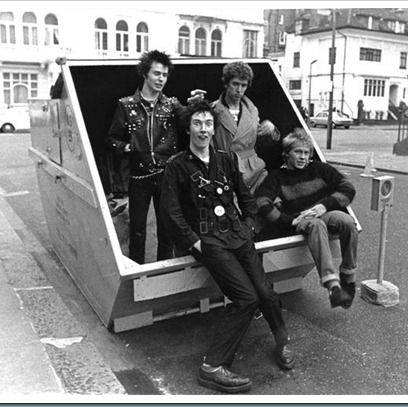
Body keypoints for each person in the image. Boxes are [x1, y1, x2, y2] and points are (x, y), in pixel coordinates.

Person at [161, 100, 295, 394]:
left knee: (266, 294)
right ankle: (212, 367)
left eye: (208, 124)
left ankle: (282, 341)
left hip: (238, 235)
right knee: (246, 299)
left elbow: (245, 197)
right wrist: (195, 242)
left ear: (213, 128)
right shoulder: (177, 167)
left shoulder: (225, 159)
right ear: (188, 128)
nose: (203, 130)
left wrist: (249, 226)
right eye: (197, 124)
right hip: (210, 243)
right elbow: (171, 213)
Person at [107, 50, 203, 264]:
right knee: (137, 231)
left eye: (165, 75)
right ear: (145, 74)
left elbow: (190, 122)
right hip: (139, 177)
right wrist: (128, 148)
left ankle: (165, 272)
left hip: (166, 175)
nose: (161, 79)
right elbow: (111, 139)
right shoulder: (126, 105)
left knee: (167, 230)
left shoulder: (171, 105)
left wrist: (195, 104)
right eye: (157, 74)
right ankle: (137, 275)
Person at [255, 128, 359, 309]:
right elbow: (262, 203)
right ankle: (332, 286)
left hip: (323, 213)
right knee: (316, 225)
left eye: (306, 152)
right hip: (302, 220)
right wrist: (289, 220)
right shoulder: (276, 177)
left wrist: (323, 206)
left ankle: (348, 278)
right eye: (298, 152)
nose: (303, 157)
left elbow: (348, 188)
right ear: (286, 154)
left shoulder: (319, 169)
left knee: (347, 222)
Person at [211, 61, 280, 194]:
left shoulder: (253, 110)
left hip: (253, 170)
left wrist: (270, 130)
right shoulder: (212, 110)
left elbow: (257, 143)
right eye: (235, 84)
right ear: (226, 83)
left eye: (243, 85)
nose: (239, 90)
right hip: (223, 170)